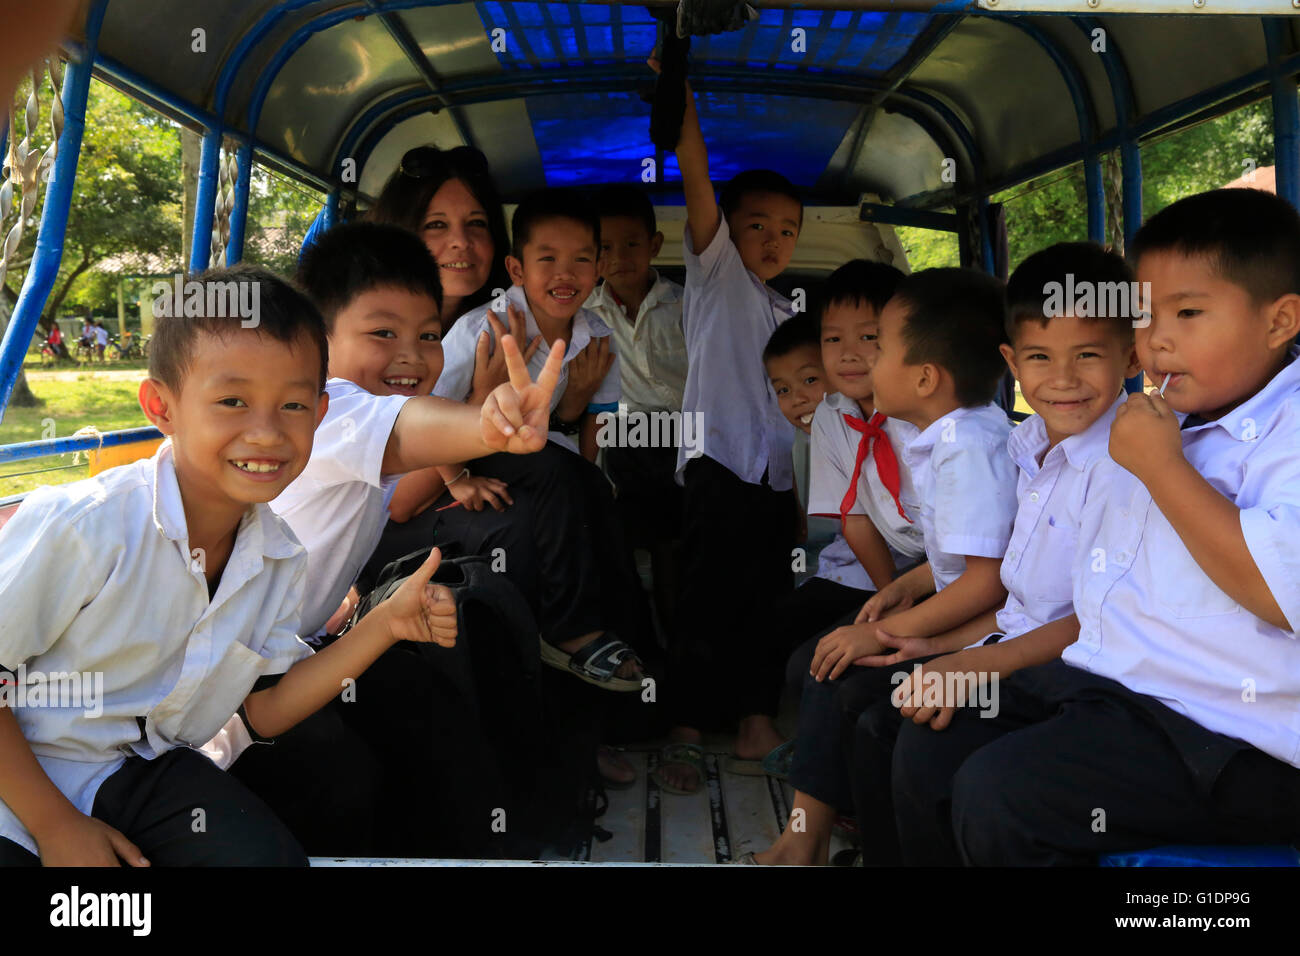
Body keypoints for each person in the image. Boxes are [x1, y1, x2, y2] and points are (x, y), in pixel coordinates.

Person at [0, 265, 480, 866]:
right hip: (20, 773)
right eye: (232, 401)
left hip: (138, 771)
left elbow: (261, 711)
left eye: (293, 405)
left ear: (322, 412)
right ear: (162, 406)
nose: (266, 432)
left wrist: (384, 625)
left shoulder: (276, 556)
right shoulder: (89, 527)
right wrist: (57, 827)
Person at [892, 188, 1300, 866]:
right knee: (928, 738)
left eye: (1189, 313)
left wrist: (1164, 469)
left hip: (1237, 738)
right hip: (1114, 692)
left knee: (1005, 796)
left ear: (1281, 320)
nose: (1158, 339)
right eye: (1146, 318)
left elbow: (1278, 592)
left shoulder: (1278, 435)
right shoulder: (1170, 418)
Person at [831, 242, 1141, 866]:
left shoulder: (1127, 461)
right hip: (1020, 649)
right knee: (880, 716)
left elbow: (1098, 618)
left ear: (1130, 358)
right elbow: (1017, 597)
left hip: (1086, 674)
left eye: (1088, 355)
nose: (1062, 378)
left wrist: (973, 666)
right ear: (1011, 362)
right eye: (1039, 357)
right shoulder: (1028, 446)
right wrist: (935, 646)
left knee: (921, 739)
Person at [647, 53, 802, 795]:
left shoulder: (795, 315)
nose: (773, 240)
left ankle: (753, 721)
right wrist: (679, 86)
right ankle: (681, 726)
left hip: (776, 477)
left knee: (767, 601)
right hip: (718, 466)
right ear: (724, 231)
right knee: (706, 599)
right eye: (757, 225)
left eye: (788, 231)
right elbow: (697, 172)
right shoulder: (718, 277)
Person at [584, 183, 687, 629]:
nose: (619, 257)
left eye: (631, 244)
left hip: (685, 436)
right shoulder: (585, 313)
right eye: (604, 248)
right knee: (618, 546)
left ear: (655, 245)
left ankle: (677, 638)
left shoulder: (686, 306)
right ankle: (636, 640)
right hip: (619, 439)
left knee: (674, 549)